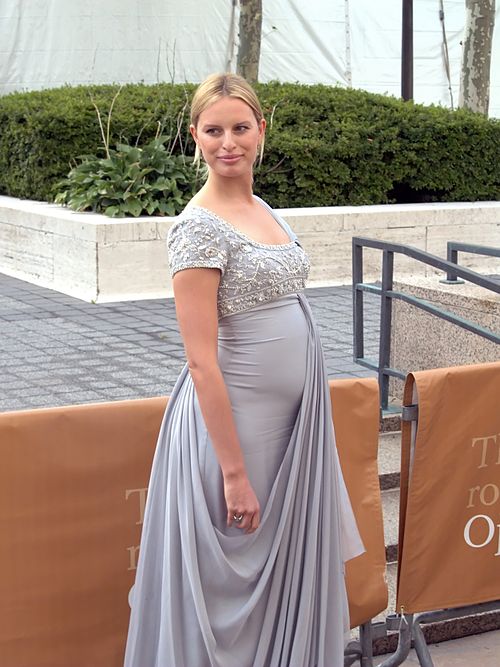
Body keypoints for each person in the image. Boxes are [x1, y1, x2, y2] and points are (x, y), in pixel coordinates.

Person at [124, 72, 364, 667]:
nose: (227, 141)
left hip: (292, 427)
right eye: (213, 130)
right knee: (230, 583)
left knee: (284, 568)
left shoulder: (264, 208)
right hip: (236, 432)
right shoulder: (197, 227)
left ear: (262, 128)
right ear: (195, 137)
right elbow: (201, 362)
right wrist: (233, 473)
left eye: (239, 127)